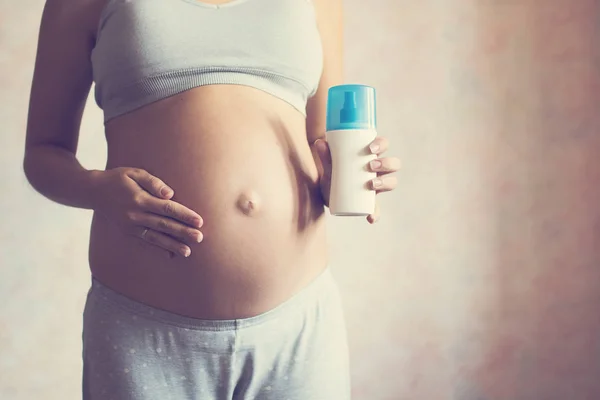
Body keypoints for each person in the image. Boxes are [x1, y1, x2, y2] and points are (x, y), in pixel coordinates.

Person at [23, 0, 401, 399]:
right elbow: (43, 153)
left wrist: (354, 172)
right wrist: (98, 189)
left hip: (298, 325)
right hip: (143, 331)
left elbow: (323, 141)